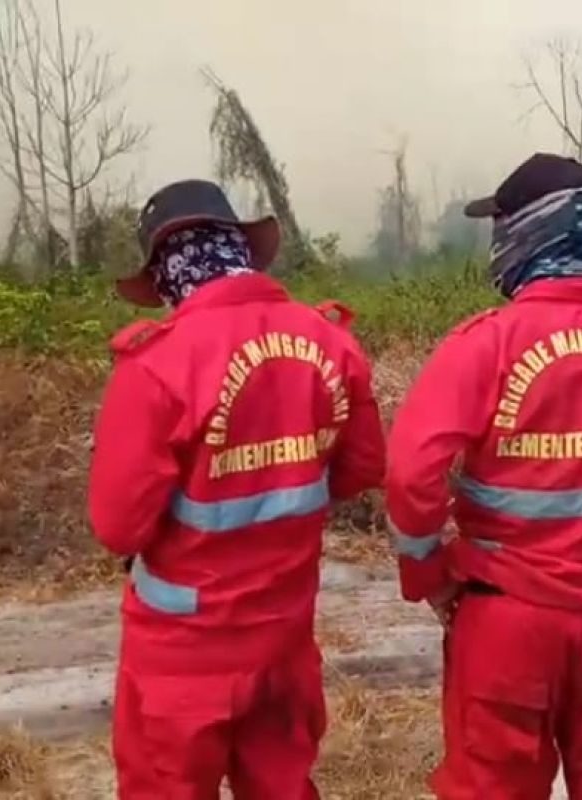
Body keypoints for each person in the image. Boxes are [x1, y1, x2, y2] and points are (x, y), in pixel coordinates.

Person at [384, 154, 582, 799]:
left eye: (501, 225)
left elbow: (410, 471)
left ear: (529, 231)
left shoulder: (483, 345)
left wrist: (428, 575)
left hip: (505, 623)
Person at [88, 179, 385, 799]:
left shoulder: (156, 365)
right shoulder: (329, 340)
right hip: (283, 638)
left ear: (166, 270)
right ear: (239, 249)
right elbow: (361, 467)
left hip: (181, 656)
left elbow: (119, 526)